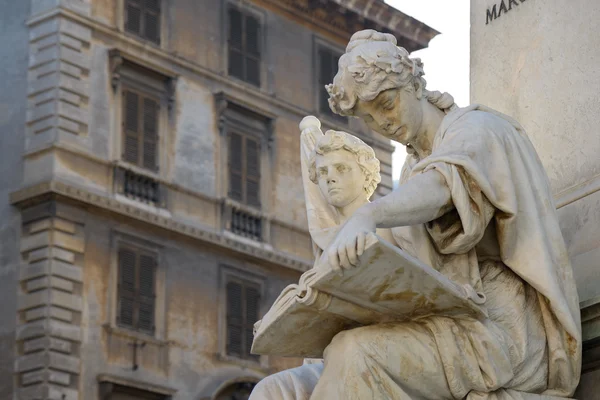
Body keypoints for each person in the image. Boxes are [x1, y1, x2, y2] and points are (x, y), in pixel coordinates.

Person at [250, 29, 581, 399]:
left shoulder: (479, 130)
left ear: (413, 82)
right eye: (369, 118)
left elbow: (445, 185)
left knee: (354, 352)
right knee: (278, 389)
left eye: (387, 103)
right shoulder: (411, 171)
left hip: (499, 332)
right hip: (438, 326)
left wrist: (370, 215)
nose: (383, 122)